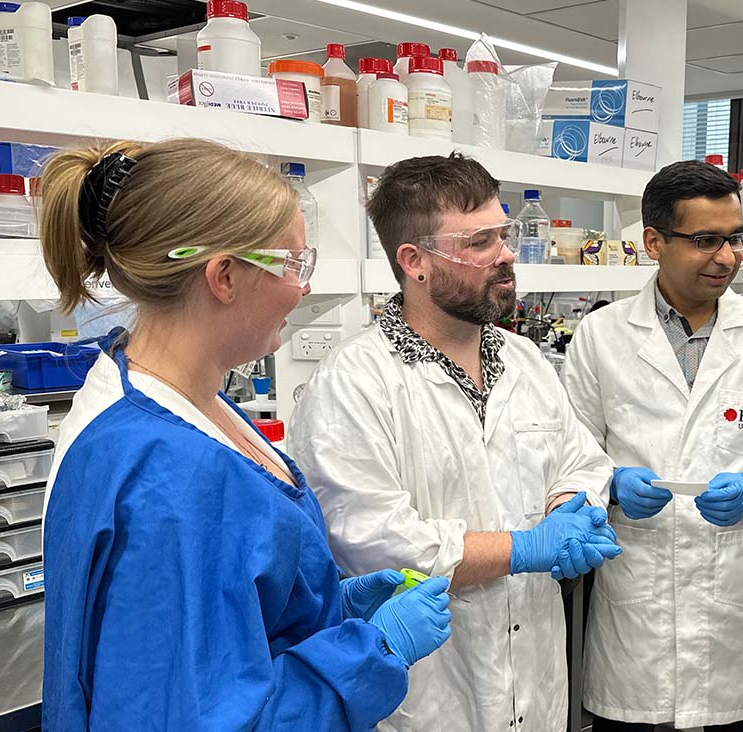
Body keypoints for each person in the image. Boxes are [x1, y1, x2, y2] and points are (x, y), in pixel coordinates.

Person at [38, 139, 452, 731]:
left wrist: (329, 604)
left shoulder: (183, 398)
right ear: (225, 277)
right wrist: (370, 652)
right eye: (293, 265)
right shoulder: (171, 477)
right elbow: (206, 718)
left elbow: (224, 612)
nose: (303, 287)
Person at [288, 152, 622, 731]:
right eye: (480, 242)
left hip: (537, 683)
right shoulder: (353, 383)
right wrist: (524, 549)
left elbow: (579, 459)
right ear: (414, 261)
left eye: (506, 234)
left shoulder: (524, 359)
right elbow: (373, 542)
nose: (508, 255)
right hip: (430, 694)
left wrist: (571, 510)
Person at [561, 160, 743, 731]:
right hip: (635, 590)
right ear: (654, 241)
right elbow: (570, 454)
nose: (726, 257)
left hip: (730, 596)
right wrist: (609, 485)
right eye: (705, 240)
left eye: (735, 239)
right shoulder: (601, 336)